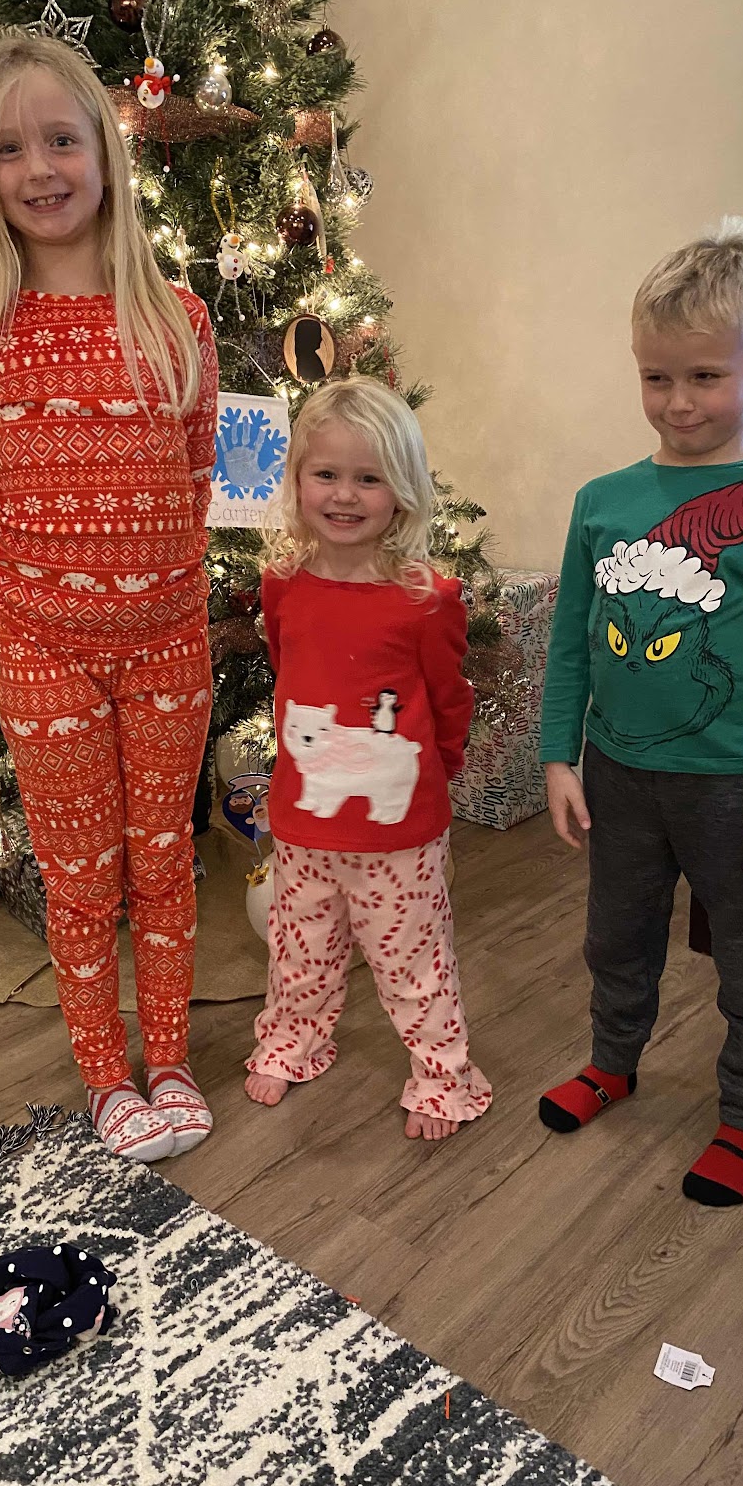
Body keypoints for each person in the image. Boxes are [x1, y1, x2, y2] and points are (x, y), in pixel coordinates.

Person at [0, 36, 219, 1162]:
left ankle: (172, 1059)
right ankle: (106, 1072)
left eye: (61, 138)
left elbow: (195, 478)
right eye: (10, 149)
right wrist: (44, 620)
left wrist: (157, 600)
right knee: (82, 873)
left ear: (105, 152)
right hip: (45, 656)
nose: (40, 168)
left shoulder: (177, 319)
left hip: (169, 648)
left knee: (164, 860)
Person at [538, 218, 743, 1205]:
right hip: (618, 778)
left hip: (737, 793)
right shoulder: (601, 502)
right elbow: (573, 640)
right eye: (656, 377)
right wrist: (558, 756)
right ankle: (611, 1062)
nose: (678, 401)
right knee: (614, 940)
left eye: (705, 376)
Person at [244, 377, 491, 1141]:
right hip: (304, 820)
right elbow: (290, 676)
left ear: (402, 490)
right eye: (326, 474)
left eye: (369, 478)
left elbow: (449, 700)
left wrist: (432, 778)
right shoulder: (282, 584)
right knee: (299, 949)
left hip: (399, 833)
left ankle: (442, 1075)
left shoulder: (427, 598)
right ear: (298, 480)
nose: (345, 495)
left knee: (413, 963)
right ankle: (293, 1039)